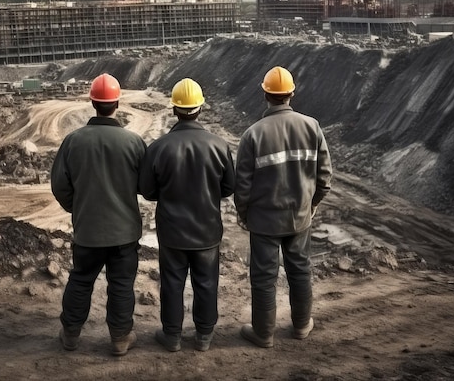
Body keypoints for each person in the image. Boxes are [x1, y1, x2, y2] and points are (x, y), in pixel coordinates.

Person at [234, 66, 332, 348]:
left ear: (265, 93)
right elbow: (325, 177)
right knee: (300, 270)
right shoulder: (311, 126)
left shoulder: (253, 135)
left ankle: (263, 333)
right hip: (299, 217)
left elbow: (243, 186)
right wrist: (311, 206)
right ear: (291, 93)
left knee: (264, 277)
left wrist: (245, 215)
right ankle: (301, 326)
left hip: (264, 221)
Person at [51, 73, 147, 356]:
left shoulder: (73, 141)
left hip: (88, 231)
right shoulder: (134, 142)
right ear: (117, 103)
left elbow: (59, 186)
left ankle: (70, 335)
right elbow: (146, 186)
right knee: (121, 284)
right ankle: (120, 338)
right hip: (124, 233)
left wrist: (78, 208)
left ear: (92, 102)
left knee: (81, 280)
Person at [139, 78, 235, 352]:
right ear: (200, 109)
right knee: (206, 283)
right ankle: (204, 336)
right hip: (206, 230)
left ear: (174, 110)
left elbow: (147, 190)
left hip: (172, 232)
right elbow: (228, 187)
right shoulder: (219, 145)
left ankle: (172, 337)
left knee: (172, 283)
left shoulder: (158, 147)